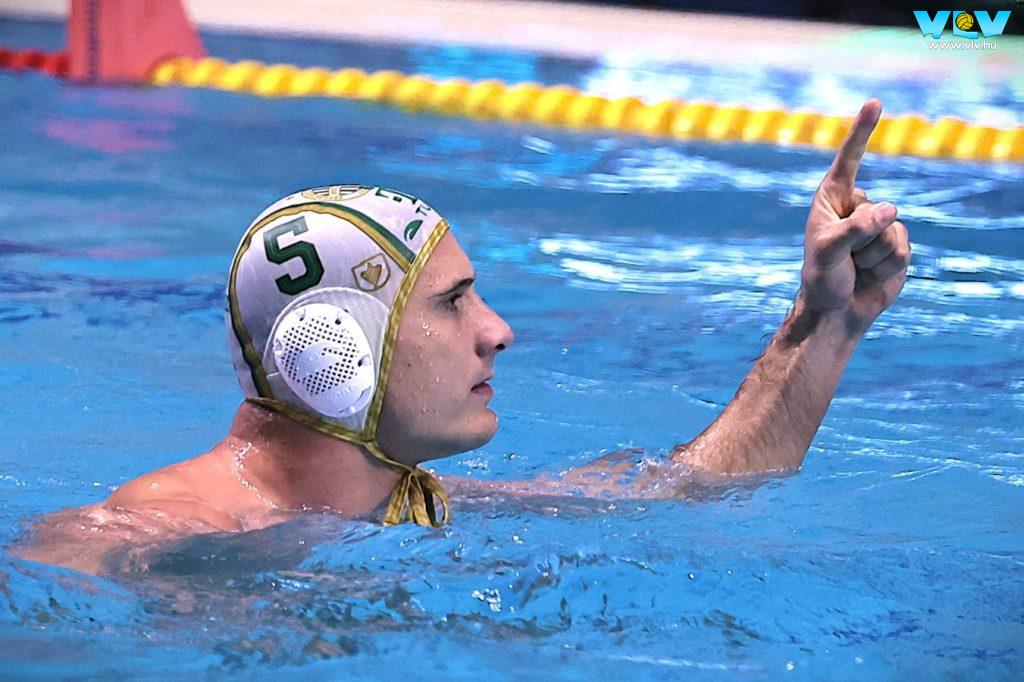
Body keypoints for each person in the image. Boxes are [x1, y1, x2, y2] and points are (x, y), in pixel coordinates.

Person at [12, 100, 910, 575]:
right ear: (335, 351)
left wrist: (825, 322)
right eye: (451, 303)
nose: (499, 332)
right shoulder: (157, 529)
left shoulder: (410, 499)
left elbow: (693, 489)